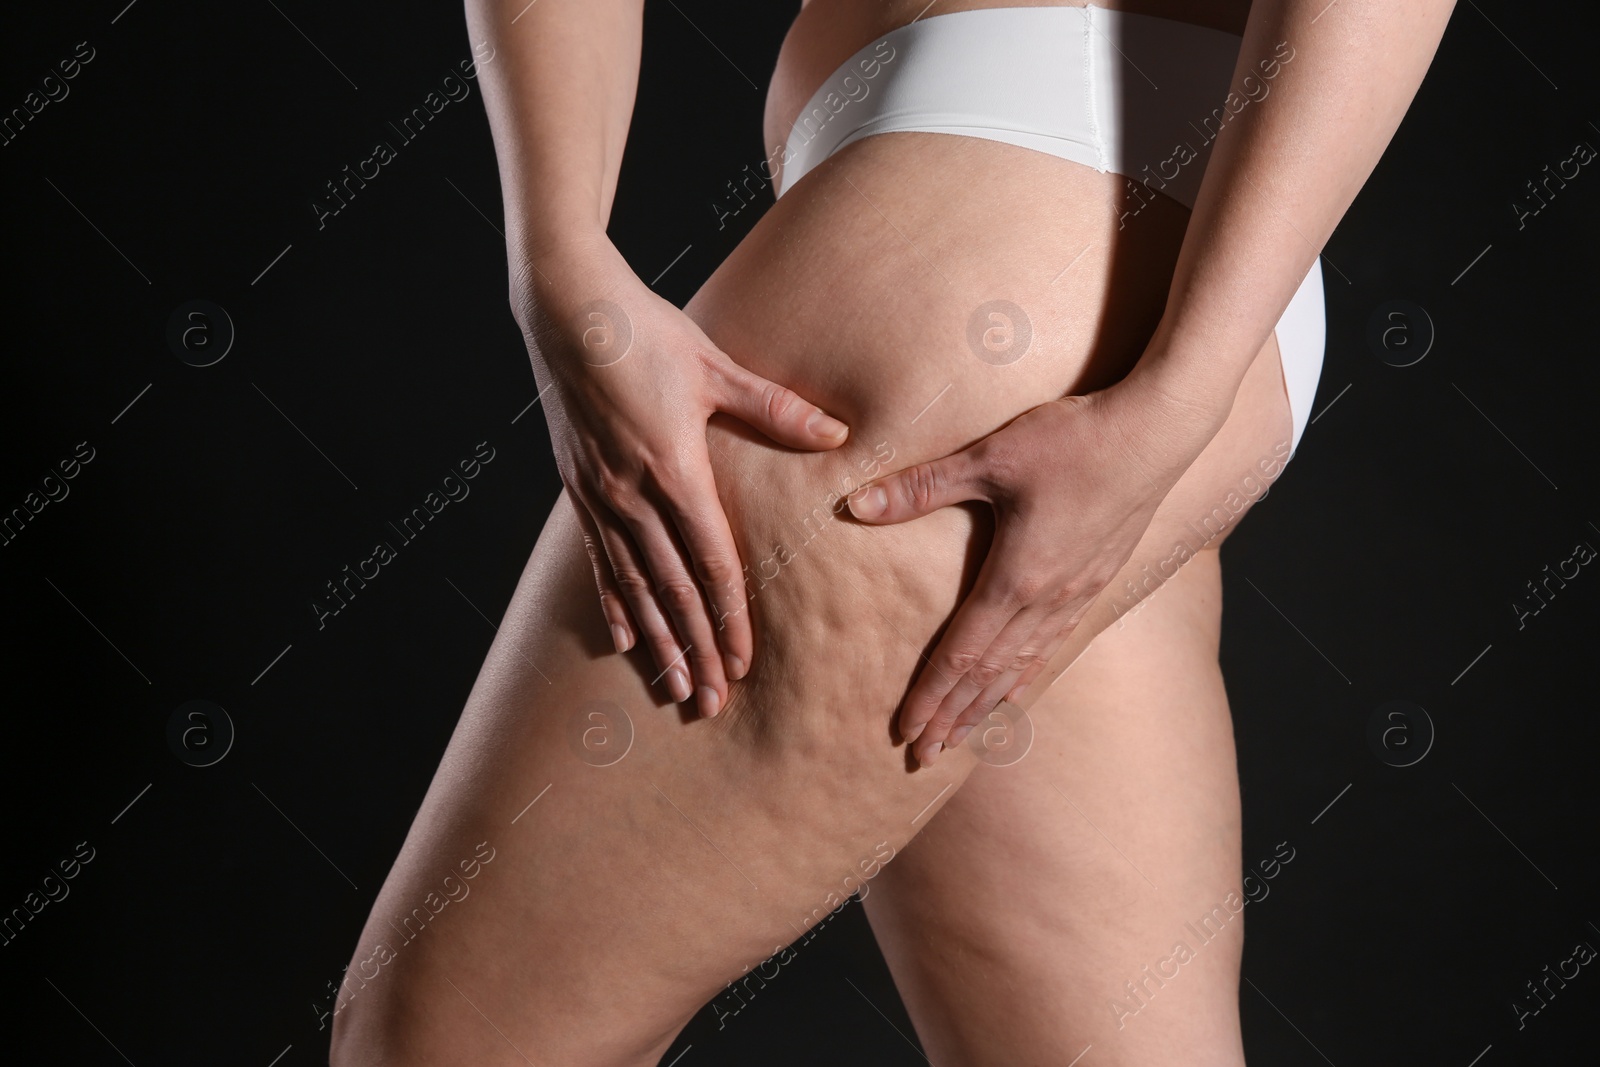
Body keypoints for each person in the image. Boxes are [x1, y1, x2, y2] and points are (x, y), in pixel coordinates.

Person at [330, 1, 1455, 1064]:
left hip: (985, 261)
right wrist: (559, 265)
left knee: (439, 1041)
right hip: (1122, 282)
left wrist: (1173, 397)